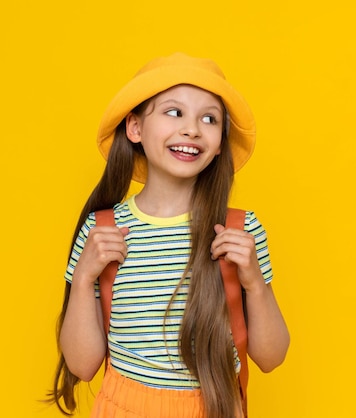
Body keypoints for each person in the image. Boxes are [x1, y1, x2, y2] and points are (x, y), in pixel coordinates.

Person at [47, 52, 290, 418]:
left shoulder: (239, 230)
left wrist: (254, 281)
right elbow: (82, 366)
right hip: (124, 407)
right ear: (135, 128)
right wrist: (83, 278)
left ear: (219, 142)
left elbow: (271, 357)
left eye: (209, 118)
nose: (192, 129)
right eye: (174, 112)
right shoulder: (102, 232)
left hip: (216, 406)